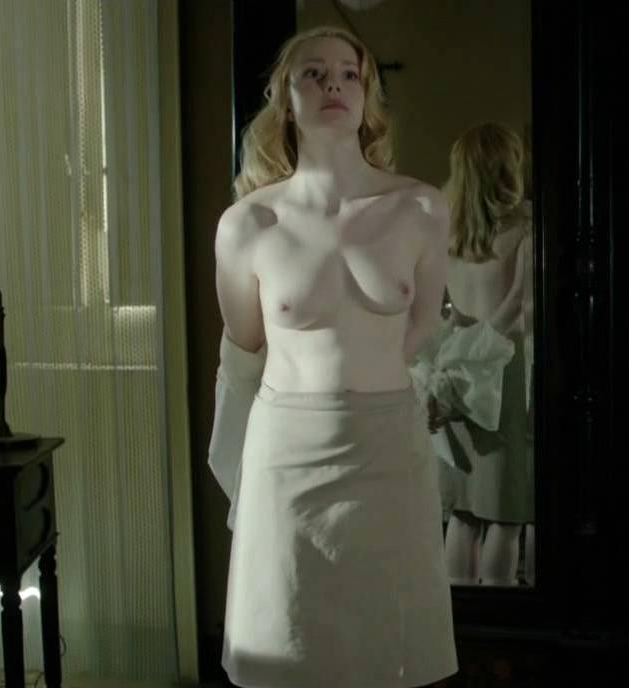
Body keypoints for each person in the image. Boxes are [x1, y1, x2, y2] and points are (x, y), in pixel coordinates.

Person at [207, 26, 457, 688]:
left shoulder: (421, 207)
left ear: (367, 94)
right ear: (286, 99)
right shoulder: (248, 224)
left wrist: (368, 387)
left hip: (387, 446)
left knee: (389, 646)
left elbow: (422, 325)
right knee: (287, 645)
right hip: (288, 451)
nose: (333, 85)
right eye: (313, 74)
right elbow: (244, 349)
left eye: (348, 73)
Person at [431, 122, 535, 587]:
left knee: (465, 513)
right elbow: (518, 311)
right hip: (503, 373)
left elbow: (451, 314)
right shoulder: (525, 234)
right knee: (505, 516)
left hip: (458, 371)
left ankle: (462, 620)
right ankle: (501, 617)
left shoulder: (447, 237)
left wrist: (452, 368)